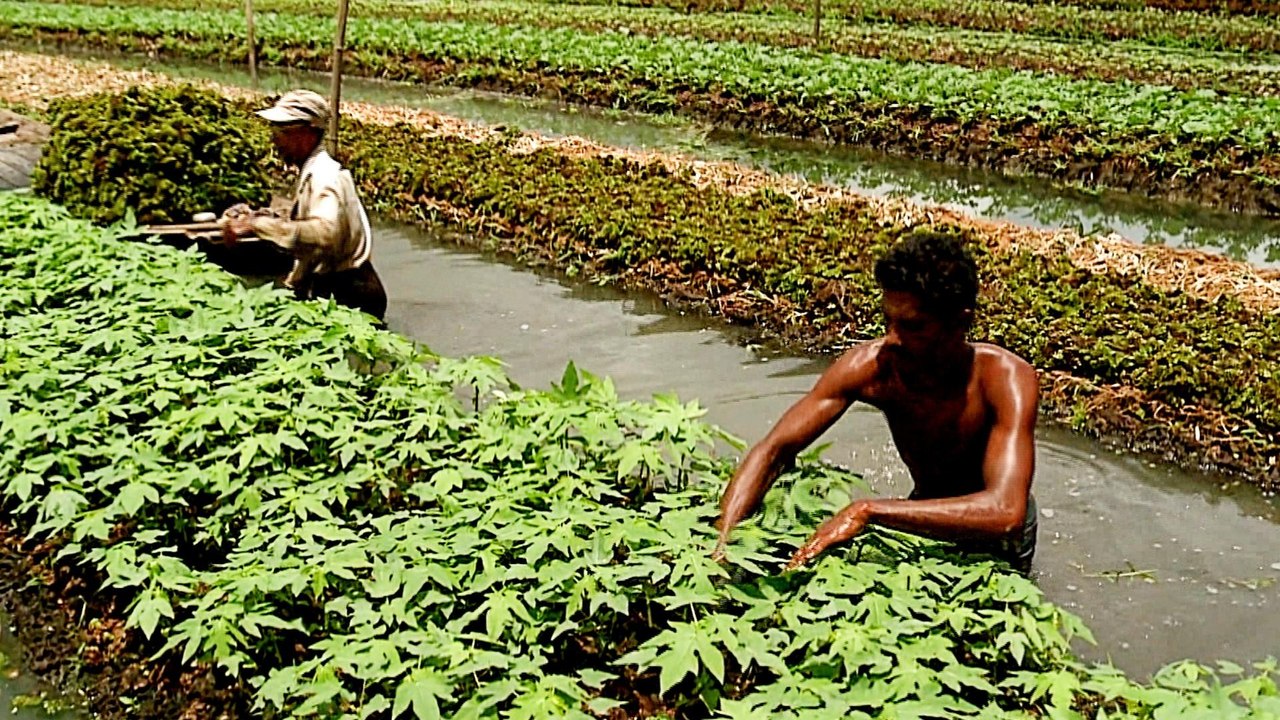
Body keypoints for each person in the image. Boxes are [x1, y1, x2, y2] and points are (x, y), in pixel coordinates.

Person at [713, 232, 1040, 574]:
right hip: (924, 511)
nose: (893, 338)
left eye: (913, 326)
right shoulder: (872, 368)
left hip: (995, 530)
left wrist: (867, 510)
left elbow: (1005, 512)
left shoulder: (1005, 380)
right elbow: (773, 450)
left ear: (959, 321)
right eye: (889, 320)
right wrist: (722, 542)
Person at [221, 89, 387, 321]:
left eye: (282, 131)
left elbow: (324, 233)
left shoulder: (324, 177)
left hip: (348, 294)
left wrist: (257, 225)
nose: (275, 139)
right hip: (338, 287)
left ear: (306, 133)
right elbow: (311, 239)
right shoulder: (313, 172)